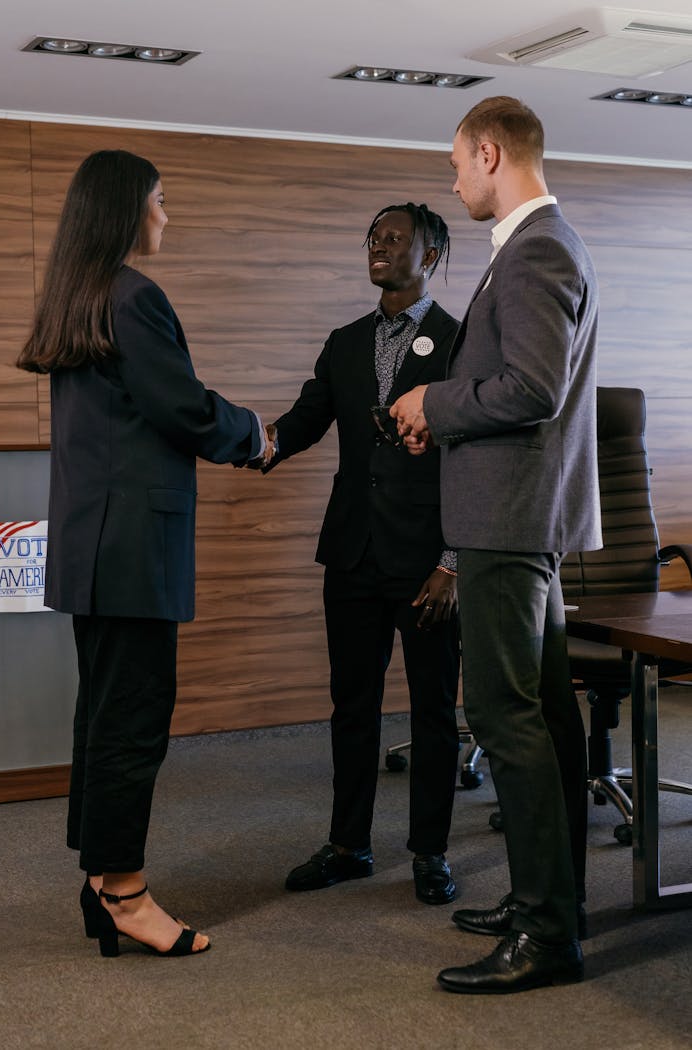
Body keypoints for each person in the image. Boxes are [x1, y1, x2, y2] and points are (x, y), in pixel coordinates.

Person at [17, 149, 273, 958]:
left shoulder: (78, 294)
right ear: (128, 209)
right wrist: (253, 432)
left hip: (94, 549)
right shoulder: (134, 296)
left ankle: (101, 879)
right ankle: (124, 892)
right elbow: (185, 410)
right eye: (160, 202)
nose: (167, 217)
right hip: (132, 551)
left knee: (102, 715)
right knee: (132, 720)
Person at [391, 97, 600, 993]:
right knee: (546, 720)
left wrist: (430, 406)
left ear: (489, 152)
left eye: (456, 164)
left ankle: (548, 936)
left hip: (508, 524)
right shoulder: (533, 247)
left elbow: (533, 387)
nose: (452, 180)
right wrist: (439, 415)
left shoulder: (538, 247)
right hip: (517, 517)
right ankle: (547, 901)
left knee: (512, 724)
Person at [260, 203, 461, 905]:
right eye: (374, 236)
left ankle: (430, 852)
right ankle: (349, 845)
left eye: (395, 237)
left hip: (427, 561)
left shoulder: (461, 341)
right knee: (353, 704)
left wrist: (453, 562)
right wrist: (255, 443)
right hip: (351, 553)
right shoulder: (344, 342)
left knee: (434, 710)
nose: (378, 245)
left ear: (430, 254)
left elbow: (475, 462)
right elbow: (307, 419)